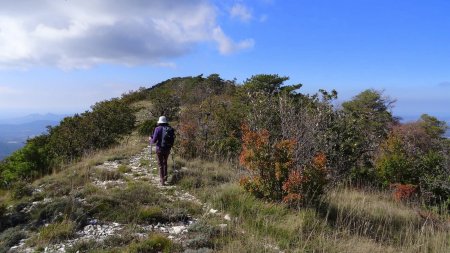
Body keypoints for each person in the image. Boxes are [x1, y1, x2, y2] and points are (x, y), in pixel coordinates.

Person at [150, 116, 175, 186]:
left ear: (160, 122)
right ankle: (165, 177)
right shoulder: (170, 129)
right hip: (167, 149)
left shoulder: (157, 129)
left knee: (160, 164)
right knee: (165, 162)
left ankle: (162, 180)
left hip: (159, 149)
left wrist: (150, 140)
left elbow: (154, 140)